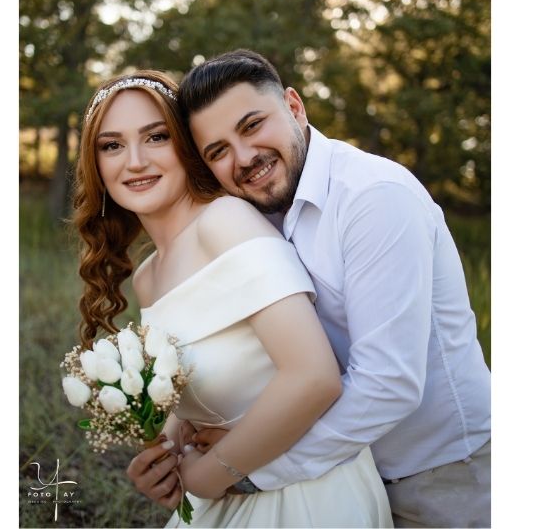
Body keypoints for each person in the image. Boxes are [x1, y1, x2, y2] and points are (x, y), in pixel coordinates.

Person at [127, 50, 493, 528]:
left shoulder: (373, 198)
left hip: (438, 476)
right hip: (337, 478)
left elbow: (389, 383)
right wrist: (178, 444)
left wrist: (246, 472)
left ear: (295, 107)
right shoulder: (250, 217)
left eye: (252, 125)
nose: (244, 158)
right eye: (218, 151)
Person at [74, 70, 392, 527]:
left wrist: (209, 475)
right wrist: (163, 459)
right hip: (228, 492)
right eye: (112, 145)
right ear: (97, 164)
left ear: (186, 145)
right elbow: (195, 398)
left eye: (156, 137)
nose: (136, 161)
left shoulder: (225, 222)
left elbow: (315, 377)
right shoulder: (148, 277)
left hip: (305, 496)